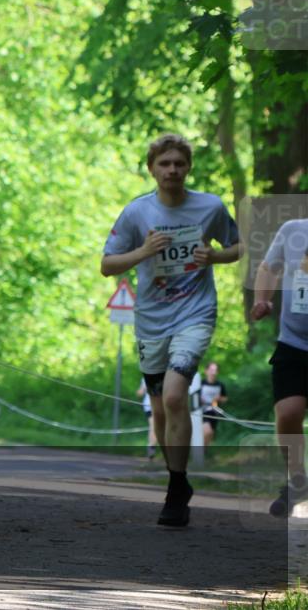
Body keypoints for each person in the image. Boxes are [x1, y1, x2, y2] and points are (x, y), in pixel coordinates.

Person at [101, 133, 242, 527]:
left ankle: (176, 487)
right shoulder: (137, 212)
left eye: (179, 163)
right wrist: (144, 252)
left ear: (189, 167)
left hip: (195, 313)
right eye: (165, 164)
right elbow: (107, 265)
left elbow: (240, 246)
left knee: (177, 395)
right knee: (161, 408)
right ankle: (177, 480)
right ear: (152, 169)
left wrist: (215, 256)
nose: (172, 170)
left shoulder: (210, 207)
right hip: (151, 321)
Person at [252, 218, 308, 517]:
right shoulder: (293, 230)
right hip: (293, 343)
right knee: (287, 413)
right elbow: (268, 268)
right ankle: (297, 481)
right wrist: (262, 299)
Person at [198, 361, 227, 446]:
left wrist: (219, 398)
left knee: (210, 435)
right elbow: (193, 397)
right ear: (206, 371)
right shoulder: (200, 383)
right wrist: (199, 399)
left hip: (214, 412)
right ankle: (198, 450)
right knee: (208, 432)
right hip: (202, 412)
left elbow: (225, 398)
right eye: (211, 370)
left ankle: (203, 451)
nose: (213, 372)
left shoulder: (220, 385)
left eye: (215, 370)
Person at [136, 379, 157, 460]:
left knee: (156, 427)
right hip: (150, 406)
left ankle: (152, 447)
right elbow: (140, 392)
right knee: (154, 426)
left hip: (162, 405)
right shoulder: (146, 377)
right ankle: (151, 447)